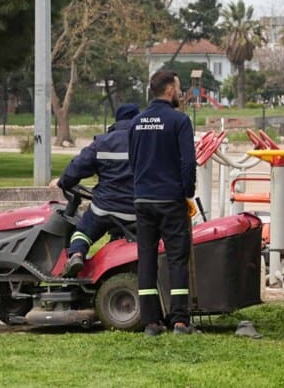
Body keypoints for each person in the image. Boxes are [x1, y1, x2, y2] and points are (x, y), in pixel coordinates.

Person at [128, 70, 197, 336]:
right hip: (170, 199)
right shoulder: (179, 121)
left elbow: (133, 162)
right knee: (177, 258)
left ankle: (151, 322)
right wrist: (186, 192)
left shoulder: (136, 122)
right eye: (178, 88)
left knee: (146, 258)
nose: (180, 93)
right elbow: (188, 162)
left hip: (143, 199)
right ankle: (179, 320)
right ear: (169, 90)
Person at [51, 103, 140, 277]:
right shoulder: (148, 143)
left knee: (83, 231)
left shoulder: (101, 143)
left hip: (105, 209)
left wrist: (62, 181)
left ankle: (76, 254)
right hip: (137, 210)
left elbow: (76, 168)